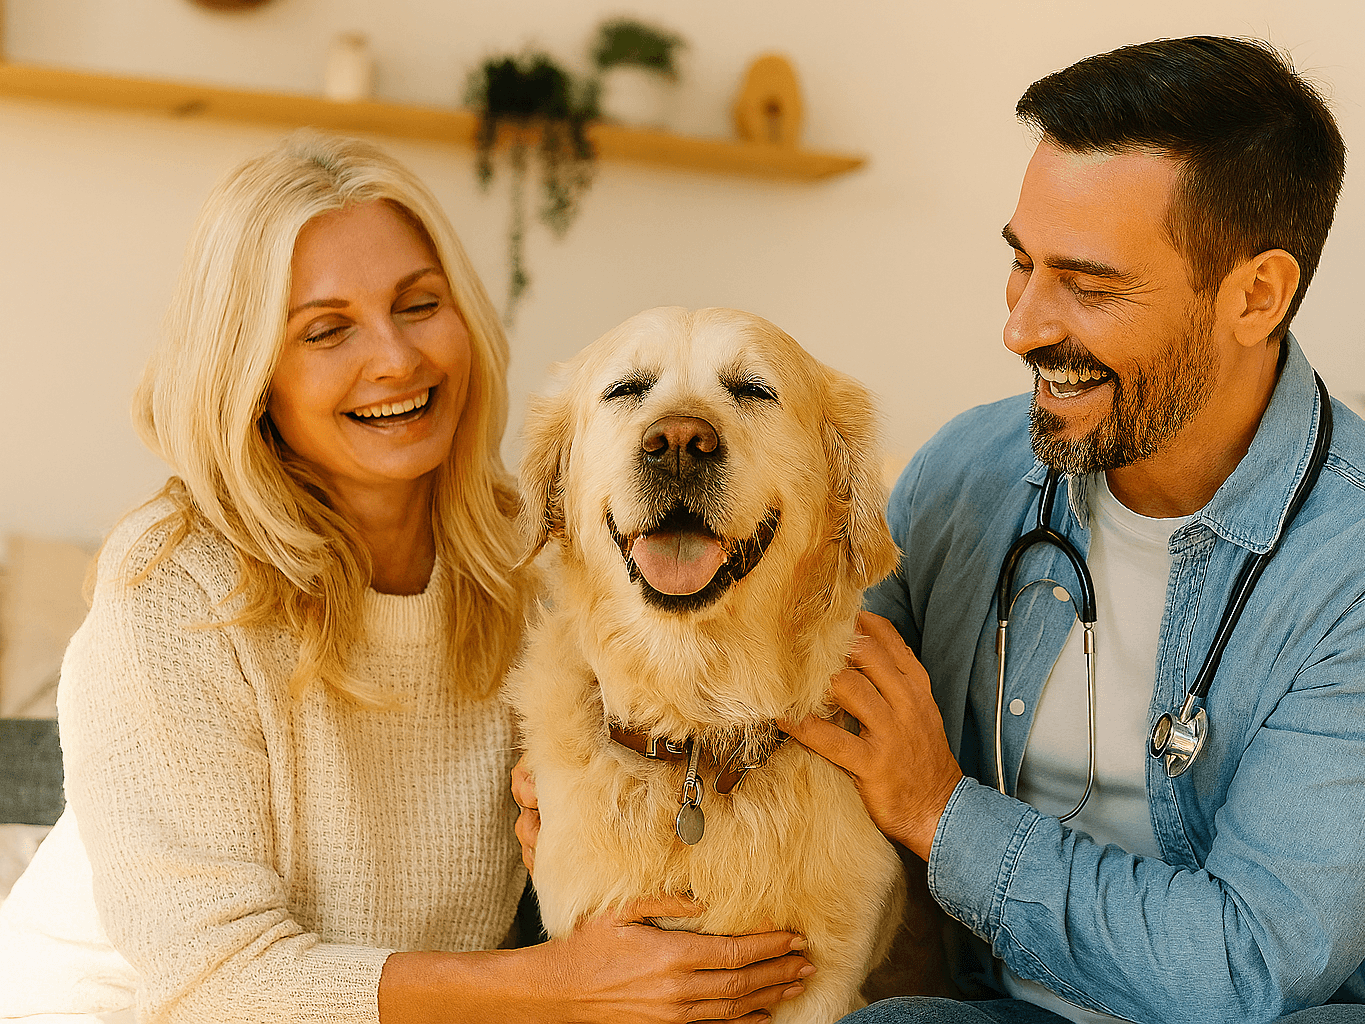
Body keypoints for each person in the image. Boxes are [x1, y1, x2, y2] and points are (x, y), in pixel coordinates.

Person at [782, 36, 1365, 1024]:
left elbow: (1243, 966)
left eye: (1087, 285)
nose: (1023, 326)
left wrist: (940, 810)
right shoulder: (968, 476)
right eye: (1020, 263)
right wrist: (611, 755)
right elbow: (798, 682)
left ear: (1256, 295)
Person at [23, 132, 811, 1024]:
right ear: (252, 378)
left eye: (419, 305)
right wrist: (564, 985)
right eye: (326, 330)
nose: (396, 360)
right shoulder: (171, 584)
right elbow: (211, 979)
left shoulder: (535, 550)